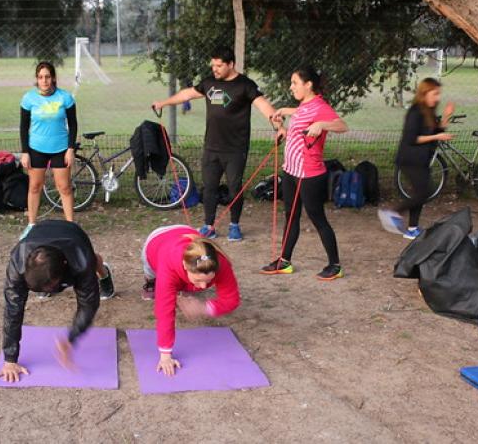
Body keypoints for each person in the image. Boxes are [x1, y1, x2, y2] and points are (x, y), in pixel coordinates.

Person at [151, 46, 280, 242]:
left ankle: (234, 226)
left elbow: (264, 106)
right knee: (209, 187)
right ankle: (208, 225)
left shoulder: (245, 85)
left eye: (219, 66)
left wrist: (278, 126)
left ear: (231, 64)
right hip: (211, 147)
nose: (215, 69)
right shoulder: (209, 83)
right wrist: (163, 103)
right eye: (213, 65)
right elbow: (187, 94)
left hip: (235, 149)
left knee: (234, 188)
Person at [0, 220, 115, 382]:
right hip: (41, 233)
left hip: (73, 235)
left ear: (64, 269)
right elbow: (13, 309)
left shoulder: (81, 260)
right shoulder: (18, 263)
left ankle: (103, 271)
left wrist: (71, 337)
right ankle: (44, 283)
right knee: (26, 293)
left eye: (50, 286)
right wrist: (10, 359)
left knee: (92, 262)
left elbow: (88, 305)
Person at [262, 66, 348, 280]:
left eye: (294, 83)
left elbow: (342, 125)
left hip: (308, 174)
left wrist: (322, 124)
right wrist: (284, 129)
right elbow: (300, 120)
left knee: (318, 218)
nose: (291, 87)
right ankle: (284, 261)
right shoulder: (304, 105)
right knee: (290, 216)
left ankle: (335, 265)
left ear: (308, 85)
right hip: (291, 171)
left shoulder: (319, 107)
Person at [140, 225, 240, 376]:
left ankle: (185, 286)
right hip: (156, 243)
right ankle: (151, 281)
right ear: (186, 266)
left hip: (185, 233)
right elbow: (164, 312)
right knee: (154, 277)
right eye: (199, 280)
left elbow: (232, 300)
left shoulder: (220, 263)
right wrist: (165, 355)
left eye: (209, 280)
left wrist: (204, 308)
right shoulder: (167, 265)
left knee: (188, 287)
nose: (204, 286)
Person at [378, 78, 454, 240]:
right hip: (410, 159)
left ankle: (412, 229)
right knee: (423, 191)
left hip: (422, 159)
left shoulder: (428, 111)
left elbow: (436, 130)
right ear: (425, 93)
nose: (438, 97)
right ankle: (392, 213)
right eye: (435, 93)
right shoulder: (415, 111)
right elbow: (412, 138)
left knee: (422, 191)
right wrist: (437, 135)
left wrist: (446, 117)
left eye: (438, 94)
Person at [19, 62, 77, 239]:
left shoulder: (65, 98)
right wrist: (25, 151)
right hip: (36, 148)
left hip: (60, 148)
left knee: (64, 187)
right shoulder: (29, 99)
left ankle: (70, 227)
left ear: (53, 78)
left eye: (47, 76)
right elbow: (23, 126)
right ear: (37, 79)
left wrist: (70, 148)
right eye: (40, 77)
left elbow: (73, 124)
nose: (44, 80)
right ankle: (31, 225)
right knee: (35, 186)